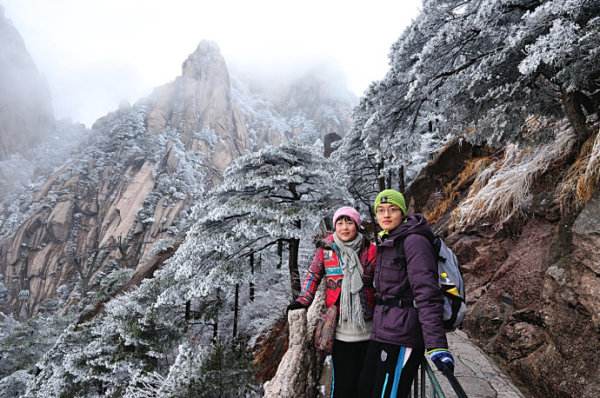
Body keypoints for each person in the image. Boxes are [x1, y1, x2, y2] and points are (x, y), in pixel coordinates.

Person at [358, 189, 454, 398]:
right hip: (384, 329)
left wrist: (436, 345)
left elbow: (427, 293)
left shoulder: (414, 241)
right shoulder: (390, 240)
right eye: (381, 210)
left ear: (402, 212)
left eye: (392, 209)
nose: (386, 215)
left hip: (402, 335)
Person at [287, 206, 377, 398]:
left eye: (349, 222)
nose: (344, 228)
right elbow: (314, 275)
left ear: (357, 225)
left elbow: (383, 280)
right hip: (341, 331)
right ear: (335, 226)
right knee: (344, 385)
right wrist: (304, 300)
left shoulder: (370, 250)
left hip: (369, 329)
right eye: (340, 223)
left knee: (367, 386)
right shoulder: (326, 250)